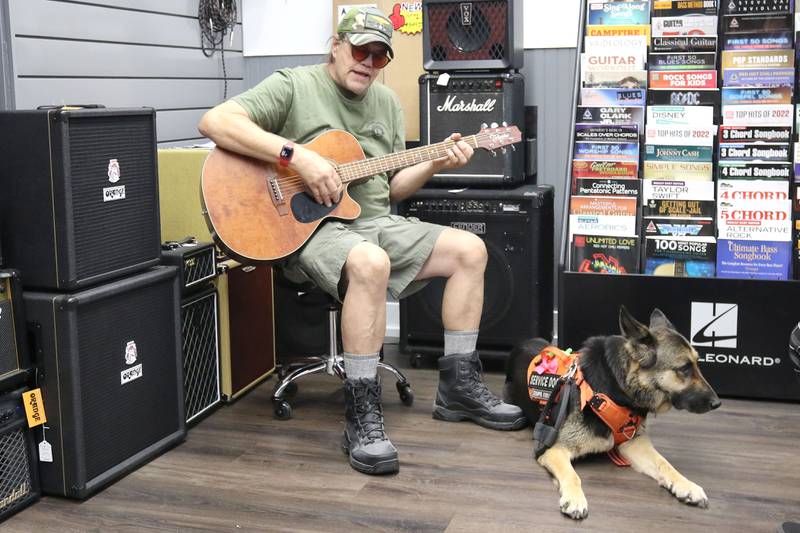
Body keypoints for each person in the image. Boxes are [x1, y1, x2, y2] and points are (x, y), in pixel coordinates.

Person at [198, 6, 525, 476]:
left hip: (372, 221)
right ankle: (362, 412)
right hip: (309, 230)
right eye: (359, 50)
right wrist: (299, 157)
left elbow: (390, 188)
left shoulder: (386, 104)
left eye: (379, 56)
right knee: (370, 261)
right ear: (336, 45)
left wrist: (435, 163)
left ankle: (458, 388)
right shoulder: (294, 84)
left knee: (470, 249)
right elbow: (215, 121)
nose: (368, 62)